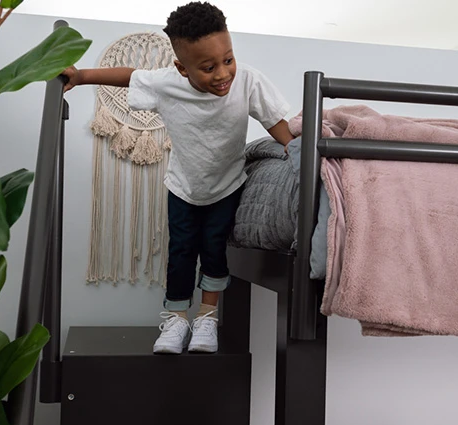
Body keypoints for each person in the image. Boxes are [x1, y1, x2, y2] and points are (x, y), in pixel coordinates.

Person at [62, 1, 294, 354]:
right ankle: (175, 319)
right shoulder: (167, 83)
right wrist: (81, 78)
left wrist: (294, 148)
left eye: (227, 60)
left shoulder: (247, 80)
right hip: (183, 187)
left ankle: (207, 317)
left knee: (214, 250)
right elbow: (129, 76)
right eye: (208, 67)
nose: (222, 74)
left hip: (227, 185)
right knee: (182, 251)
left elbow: (273, 120)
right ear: (182, 69)